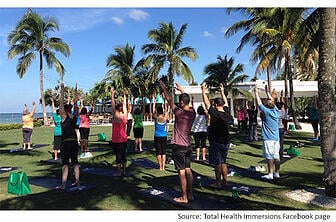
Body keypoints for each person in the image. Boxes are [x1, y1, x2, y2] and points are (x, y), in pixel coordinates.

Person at [160, 80, 195, 204]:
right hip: (188, 146)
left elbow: (169, 99)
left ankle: (184, 196)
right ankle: (190, 194)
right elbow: (188, 101)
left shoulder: (179, 112)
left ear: (181, 102)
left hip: (179, 147)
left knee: (181, 172)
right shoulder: (192, 112)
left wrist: (164, 87)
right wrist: (182, 91)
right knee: (188, 170)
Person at [201, 83, 231, 188]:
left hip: (216, 142)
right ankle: (225, 181)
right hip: (226, 142)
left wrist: (203, 91)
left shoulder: (215, 113)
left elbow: (206, 103)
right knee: (223, 162)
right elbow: (226, 102)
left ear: (216, 105)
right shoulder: (227, 113)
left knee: (218, 163)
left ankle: (218, 183)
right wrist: (222, 92)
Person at [57, 82, 80, 190]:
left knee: (65, 164)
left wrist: (62, 90)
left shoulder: (64, 116)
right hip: (74, 142)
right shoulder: (74, 116)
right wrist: (75, 91)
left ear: (64, 110)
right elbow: (76, 103)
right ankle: (77, 182)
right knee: (75, 163)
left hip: (66, 142)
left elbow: (60, 103)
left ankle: (63, 184)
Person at [255, 84, 280, 180]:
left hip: (268, 138)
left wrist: (256, 92)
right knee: (276, 156)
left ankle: (270, 174)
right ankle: (277, 173)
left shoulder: (267, 112)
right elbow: (272, 102)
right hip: (276, 138)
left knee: (269, 157)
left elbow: (259, 103)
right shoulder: (276, 111)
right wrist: (267, 92)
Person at [111, 88, 128, 176]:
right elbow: (124, 105)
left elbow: (113, 105)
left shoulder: (115, 115)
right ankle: (124, 170)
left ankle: (119, 171)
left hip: (116, 139)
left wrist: (112, 95)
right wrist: (124, 95)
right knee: (123, 155)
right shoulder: (124, 115)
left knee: (118, 155)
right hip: (123, 139)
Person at [153, 94, 168, 170]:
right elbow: (166, 110)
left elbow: (153, 111)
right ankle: (163, 166)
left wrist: (155, 101)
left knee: (158, 152)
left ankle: (160, 166)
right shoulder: (165, 118)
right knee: (164, 152)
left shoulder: (156, 118)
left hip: (157, 136)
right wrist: (165, 101)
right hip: (164, 136)